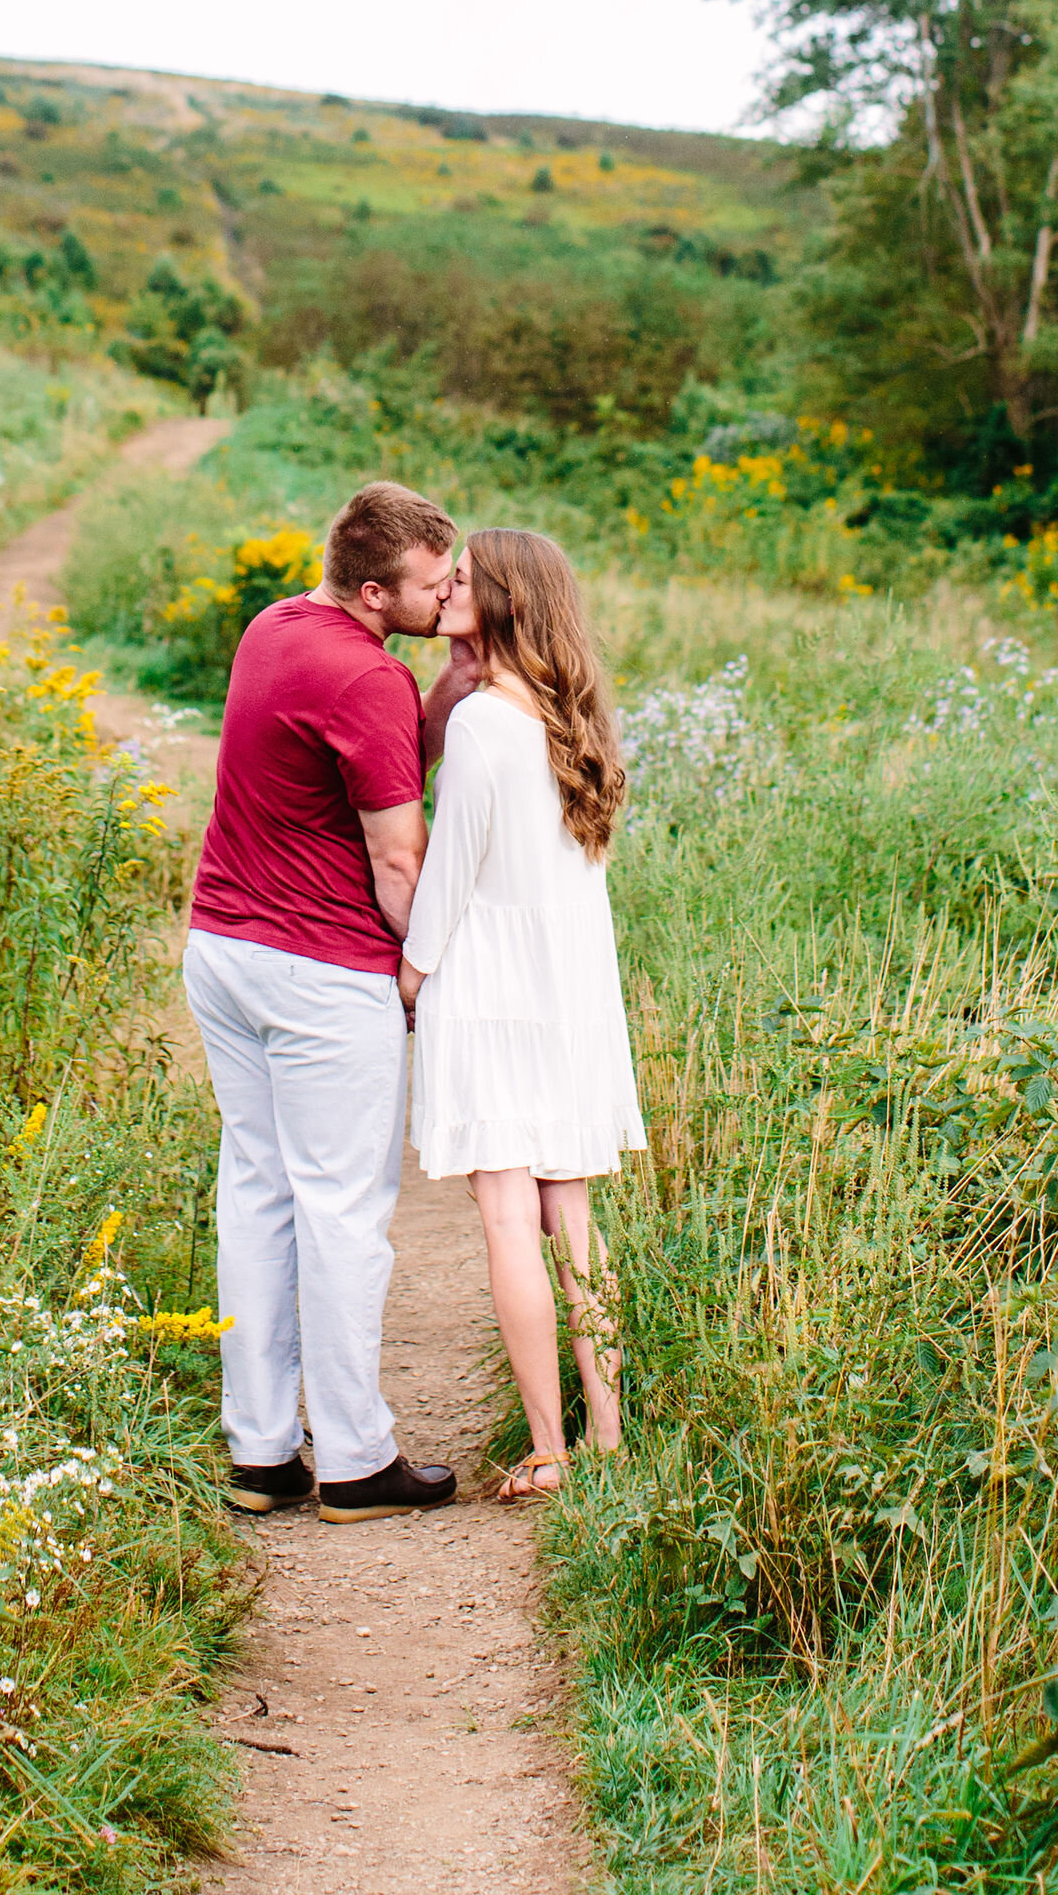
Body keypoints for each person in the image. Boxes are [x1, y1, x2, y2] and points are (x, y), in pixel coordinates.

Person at [182, 478, 464, 1524]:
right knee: (344, 1210)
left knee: (256, 1192)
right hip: (318, 973)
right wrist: (426, 967)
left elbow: (362, 749)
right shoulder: (370, 683)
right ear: (382, 594)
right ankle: (355, 1457)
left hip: (222, 951)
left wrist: (444, 687)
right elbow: (398, 857)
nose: (451, 597)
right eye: (437, 586)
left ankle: (259, 1451)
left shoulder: (276, 629)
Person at [398, 528, 644, 1500]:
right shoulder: (565, 719)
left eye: (462, 579)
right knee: (571, 1219)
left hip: (494, 991)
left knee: (507, 1215)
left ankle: (548, 1446)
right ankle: (608, 1435)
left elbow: (452, 872)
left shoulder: (483, 726)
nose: (446, 589)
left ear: (502, 600)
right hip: (568, 996)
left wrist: (413, 976)